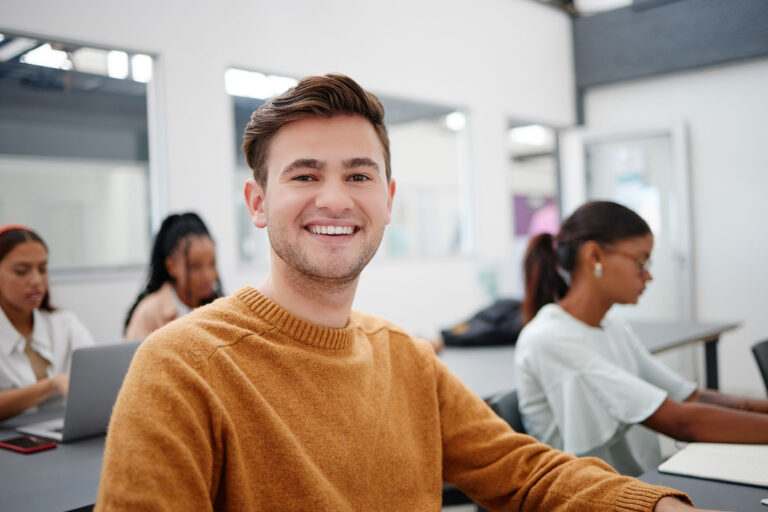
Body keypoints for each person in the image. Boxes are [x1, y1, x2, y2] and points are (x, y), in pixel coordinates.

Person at [97, 75, 715, 511]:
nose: (335, 198)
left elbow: (527, 475)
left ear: (387, 202)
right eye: (305, 174)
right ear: (258, 204)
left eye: (359, 175)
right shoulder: (180, 368)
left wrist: (656, 508)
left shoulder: (407, 359)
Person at [514, 200, 768, 477]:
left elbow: (690, 396)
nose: (648, 275)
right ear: (595, 256)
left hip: (638, 485)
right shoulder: (550, 338)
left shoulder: (612, 326)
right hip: (593, 499)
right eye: (640, 261)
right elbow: (681, 421)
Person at [0, 225, 94, 420]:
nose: (36, 280)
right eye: (21, 271)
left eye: (42, 269)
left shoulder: (65, 323)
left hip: (62, 434)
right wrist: (51, 385)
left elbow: (98, 378)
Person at [124, 212, 222, 339]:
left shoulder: (219, 309)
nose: (209, 276)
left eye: (212, 264)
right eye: (196, 267)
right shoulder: (149, 313)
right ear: (171, 267)